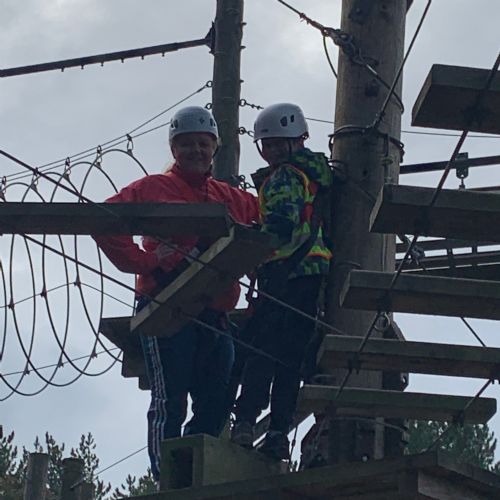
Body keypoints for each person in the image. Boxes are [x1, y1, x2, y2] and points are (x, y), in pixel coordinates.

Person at [93, 106, 258, 481]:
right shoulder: (153, 188)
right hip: (165, 308)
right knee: (171, 398)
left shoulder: (231, 197)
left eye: (203, 143)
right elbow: (105, 219)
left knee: (218, 397)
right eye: (186, 144)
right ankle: (166, 477)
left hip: (214, 312)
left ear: (214, 148)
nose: (196, 151)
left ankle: (190, 467)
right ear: (174, 149)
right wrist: (144, 261)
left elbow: (269, 225)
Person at [231, 103, 333, 460]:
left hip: (284, 273)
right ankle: (278, 431)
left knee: (261, 350)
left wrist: (249, 241)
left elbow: (282, 223)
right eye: (268, 145)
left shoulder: (284, 177)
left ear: (296, 141)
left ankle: (246, 420)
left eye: (277, 144)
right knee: (291, 356)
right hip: (311, 272)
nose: (272, 151)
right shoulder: (315, 176)